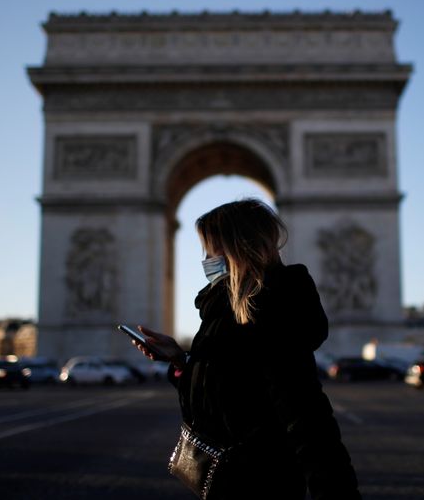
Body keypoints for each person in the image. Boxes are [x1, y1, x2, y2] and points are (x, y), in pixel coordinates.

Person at [131, 199, 362, 500]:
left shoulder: (270, 310)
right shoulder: (224, 311)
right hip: (233, 479)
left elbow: (304, 413)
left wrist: (335, 491)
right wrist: (180, 359)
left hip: (261, 481)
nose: (205, 260)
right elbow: (224, 389)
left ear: (235, 249)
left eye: (210, 251)